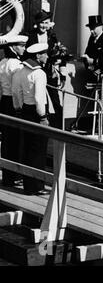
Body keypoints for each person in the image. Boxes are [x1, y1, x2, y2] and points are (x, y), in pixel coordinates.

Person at [12, 43, 52, 195]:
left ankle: (28, 185)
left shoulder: (20, 71)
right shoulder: (39, 74)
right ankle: (37, 186)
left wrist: (18, 109)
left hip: (25, 110)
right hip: (37, 113)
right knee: (38, 151)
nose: (47, 56)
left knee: (27, 148)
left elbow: (16, 92)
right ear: (38, 56)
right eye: (45, 54)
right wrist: (42, 117)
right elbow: (39, 98)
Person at [27, 10, 68, 129]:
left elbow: (61, 55)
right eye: (42, 23)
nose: (44, 25)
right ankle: (42, 123)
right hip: (36, 73)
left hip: (50, 74)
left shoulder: (52, 37)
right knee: (40, 99)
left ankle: (60, 127)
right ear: (37, 23)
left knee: (55, 101)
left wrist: (63, 75)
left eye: (46, 22)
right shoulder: (30, 36)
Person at [0, 35, 27, 186]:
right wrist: (19, 107)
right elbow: (17, 89)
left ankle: (7, 175)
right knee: (16, 140)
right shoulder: (16, 64)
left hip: (4, 101)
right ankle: (15, 175)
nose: (23, 48)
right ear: (12, 47)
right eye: (21, 45)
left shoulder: (2, 63)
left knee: (6, 140)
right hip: (13, 103)